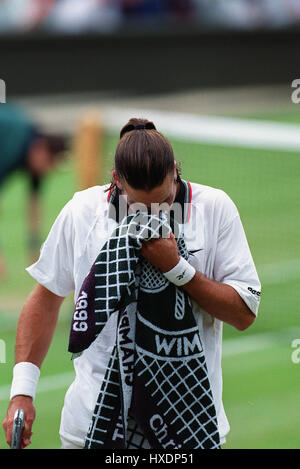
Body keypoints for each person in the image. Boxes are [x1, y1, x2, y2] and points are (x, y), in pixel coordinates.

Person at [3, 117, 261, 449]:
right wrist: (22, 391)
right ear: (117, 182)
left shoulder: (214, 209)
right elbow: (45, 298)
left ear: (175, 171)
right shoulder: (83, 212)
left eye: (164, 200)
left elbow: (244, 313)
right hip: (90, 428)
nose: (154, 212)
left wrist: (177, 268)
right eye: (141, 205)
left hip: (186, 429)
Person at [0, 102, 67, 278]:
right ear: (41, 149)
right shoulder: (11, 146)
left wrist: (35, 249)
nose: (47, 170)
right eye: (49, 163)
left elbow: (34, 203)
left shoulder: (35, 154)